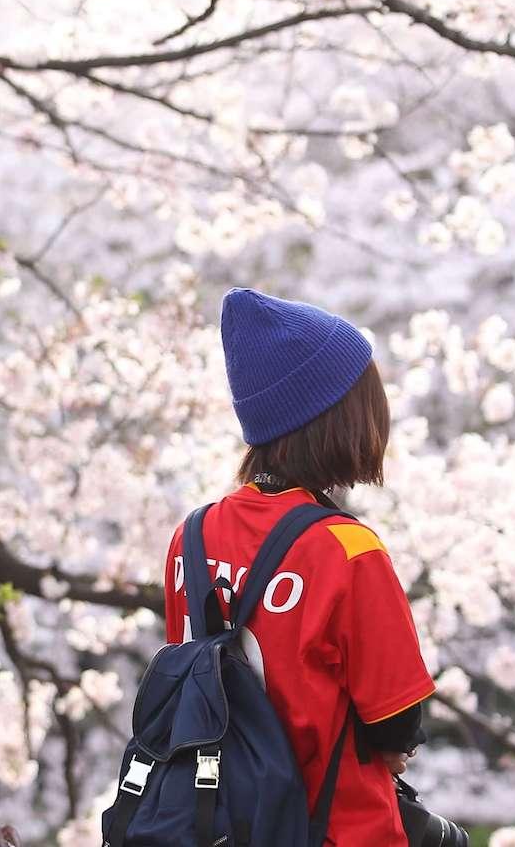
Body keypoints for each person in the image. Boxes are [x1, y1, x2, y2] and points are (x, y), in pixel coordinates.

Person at [163, 288, 437, 845]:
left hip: (218, 823)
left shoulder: (191, 535)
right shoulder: (346, 549)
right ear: (334, 417)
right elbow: (394, 721)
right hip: (334, 826)